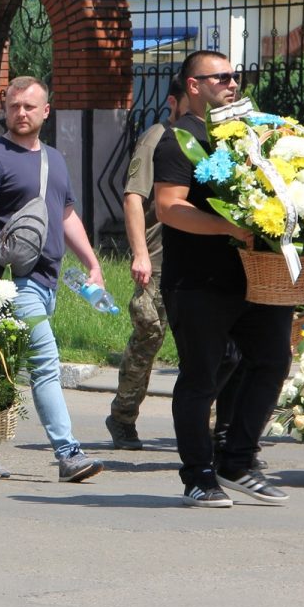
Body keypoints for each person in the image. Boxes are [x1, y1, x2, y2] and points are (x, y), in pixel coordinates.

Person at [155, 51, 289, 507]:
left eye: (236, 76)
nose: (233, 83)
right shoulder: (180, 139)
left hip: (257, 276)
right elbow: (169, 207)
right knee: (202, 377)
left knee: (272, 361)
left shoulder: (249, 137)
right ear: (193, 85)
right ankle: (198, 475)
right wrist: (228, 226)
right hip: (199, 280)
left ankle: (237, 460)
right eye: (222, 77)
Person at [0, 77, 107, 483]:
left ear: (46, 111)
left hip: (47, 281)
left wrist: (92, 263)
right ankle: (69, 453)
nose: (21, 113)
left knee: (3, 365)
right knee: (45, 364)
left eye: (29, 106)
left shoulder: (54, 159)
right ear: (5, 109)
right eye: (14, 106)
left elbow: (66, 215)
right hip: (11, 282)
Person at [106, 76, 185, 449]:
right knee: (149, 335)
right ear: (174, 101)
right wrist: (140, 254)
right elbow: (133, 197)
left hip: (196, 259)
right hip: (157, 258)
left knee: (204, 345)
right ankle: (122, 416)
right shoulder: (156, 137)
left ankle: (210, 427)